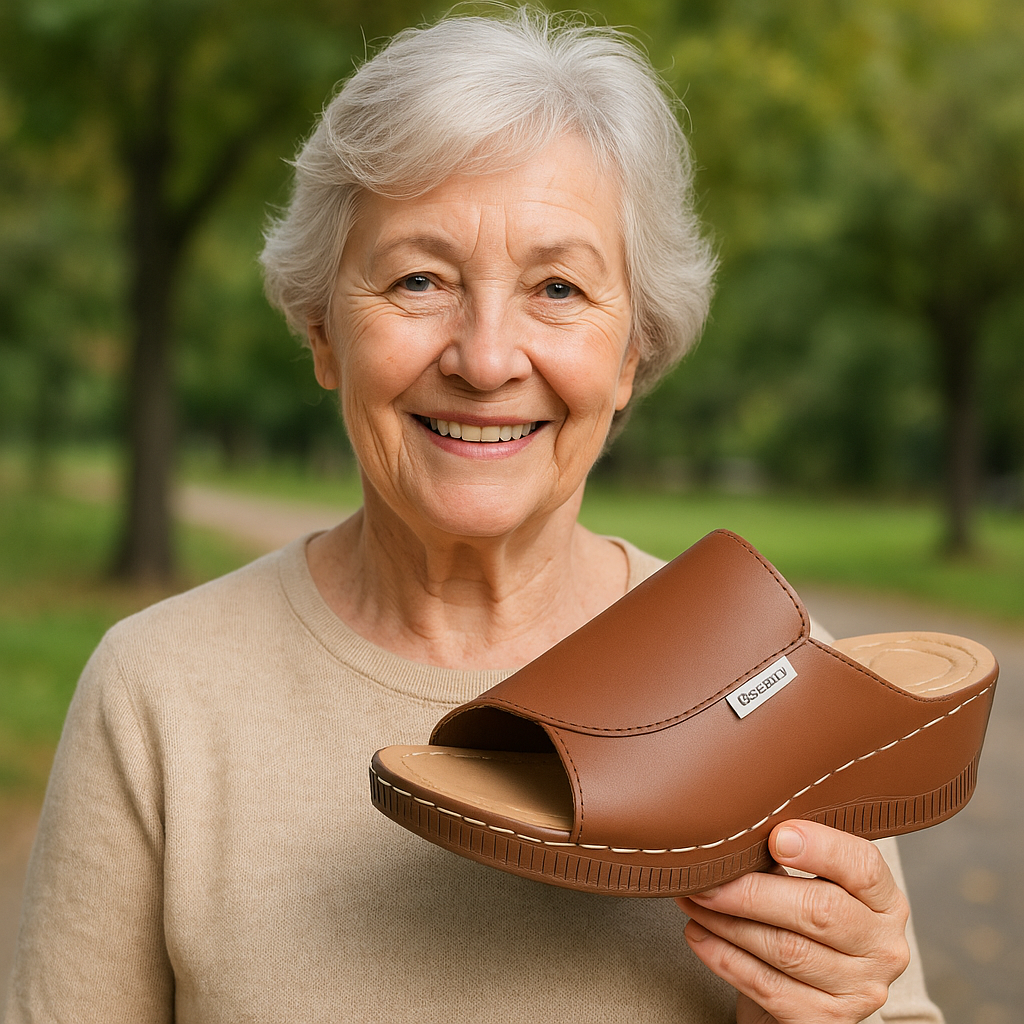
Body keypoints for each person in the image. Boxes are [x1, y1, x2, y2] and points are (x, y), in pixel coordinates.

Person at [4, 9, 944, 1023]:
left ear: (631, 354)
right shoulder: (158, 694)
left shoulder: (772, 677)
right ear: (322, 331)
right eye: (420, 279)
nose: (487, 359)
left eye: (557, 288)